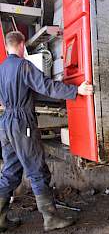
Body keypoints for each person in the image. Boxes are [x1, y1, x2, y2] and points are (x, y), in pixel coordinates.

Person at [0, 31, 93, 232]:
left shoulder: (1, 69)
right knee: (36, 170)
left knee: (10, 171)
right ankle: (50, 218)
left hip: (5, 122)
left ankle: (0, 219)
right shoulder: (23, 65)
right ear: (22, 45)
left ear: (7, 46)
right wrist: (76, 90)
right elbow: (46, 86)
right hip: (21, 123)